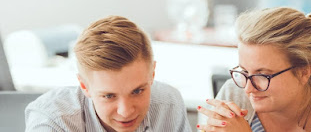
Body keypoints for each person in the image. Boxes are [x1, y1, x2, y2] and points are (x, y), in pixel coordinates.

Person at [197, 7, 311, 132]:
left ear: (304, 72)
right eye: (244, 72)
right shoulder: (235, 93)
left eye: (263, 75)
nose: (248, 89)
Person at [25, 16, 192, 132]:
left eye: (137, 91)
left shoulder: (168, 105)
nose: (126, 112)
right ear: (85, 86)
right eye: (109, 96)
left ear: (152, 74)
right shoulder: (54, 122)